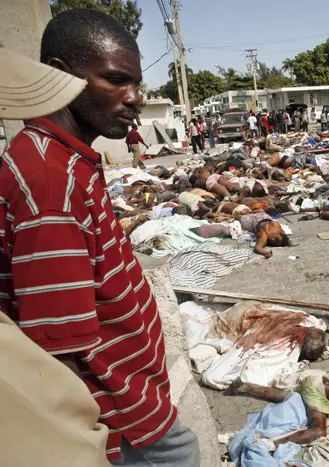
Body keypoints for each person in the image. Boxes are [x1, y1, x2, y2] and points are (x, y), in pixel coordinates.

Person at [0, 8, 199, 465]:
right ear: (59, 74)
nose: (133, 98)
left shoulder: (64, 161)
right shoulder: (52, 184)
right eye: (114, 80)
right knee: (182, 454)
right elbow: (57, 347)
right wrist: (84, 440)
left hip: (131, 392)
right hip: (116, 412)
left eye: (134, 83)